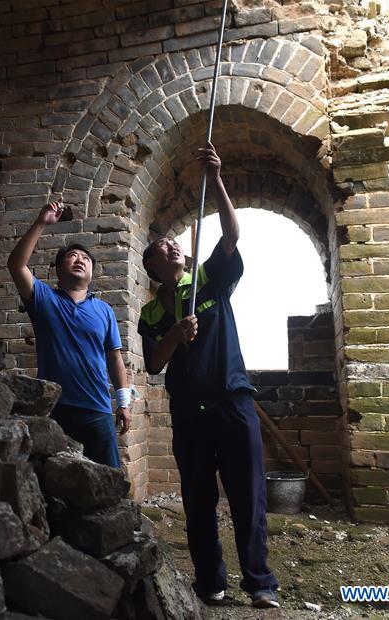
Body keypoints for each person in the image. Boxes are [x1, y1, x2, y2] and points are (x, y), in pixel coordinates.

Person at [138, 143, 280, 609]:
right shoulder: (152, 312)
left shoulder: (208, 279)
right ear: (153, 268)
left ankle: (260, 582)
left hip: (232, 399)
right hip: (189, 411)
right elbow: (154, 363)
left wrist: (216, 178)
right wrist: (176, 334)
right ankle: (210, 581)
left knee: (248, 494)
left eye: (175, 243)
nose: (173, 246)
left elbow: (232, 235)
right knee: (198, 498)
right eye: (163, 247)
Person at [7, 200, 132, 467]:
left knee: (109, 478)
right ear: (58, 270)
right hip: (54, 409)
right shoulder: (43, 298)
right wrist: (41, 222)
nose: (80, 260)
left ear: (91, 273)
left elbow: (114, 358)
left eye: (85, 259)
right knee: (53, 479)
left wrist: (123, 402)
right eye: (72, 256)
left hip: (97, 409)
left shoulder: (104, 310)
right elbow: (16, 265)